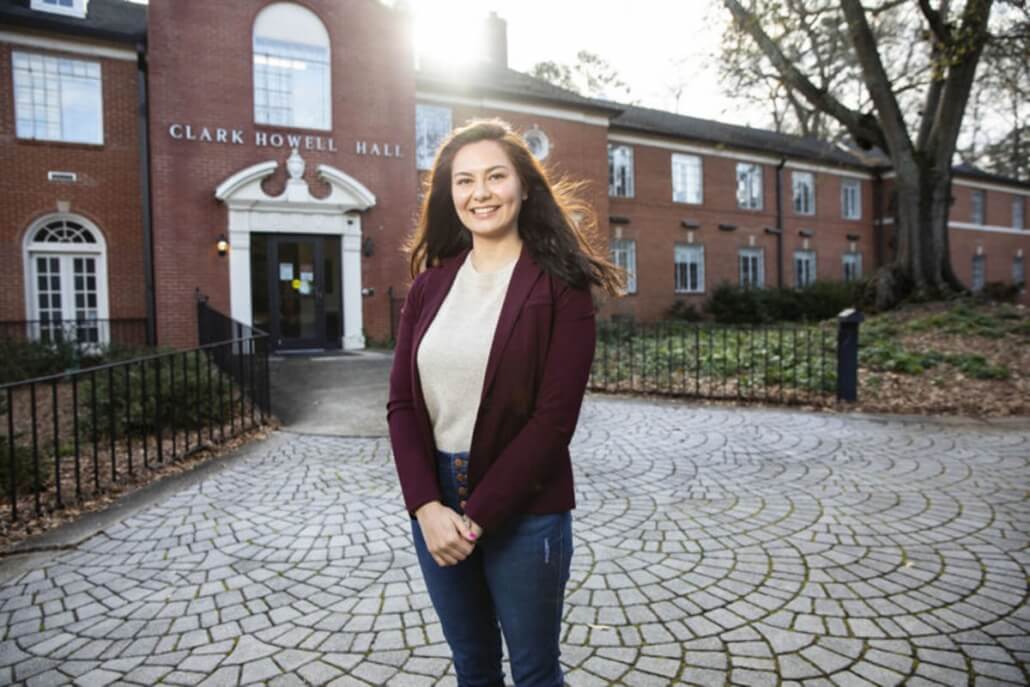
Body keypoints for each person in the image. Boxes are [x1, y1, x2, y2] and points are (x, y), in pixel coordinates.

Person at [386, 118, 625, 686]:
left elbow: (553, 423)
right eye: (464, 181)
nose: (481, 192)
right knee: (473, 669)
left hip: (528, 508)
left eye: (496, 176)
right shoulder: (429, 286)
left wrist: (476, 520)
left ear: (523, 187)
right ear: (450, 195)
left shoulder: (560, 285)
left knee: (535, 672)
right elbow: (401, 405)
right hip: (437, 505)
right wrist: (426, 508)